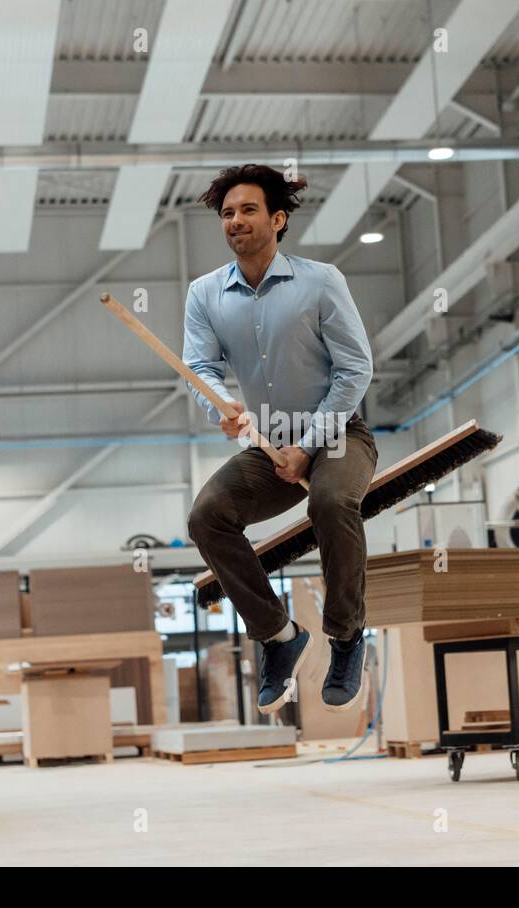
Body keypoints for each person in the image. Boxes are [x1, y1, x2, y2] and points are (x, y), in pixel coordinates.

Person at [184, 164, 375, 715]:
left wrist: (308, 446)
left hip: (338, 435)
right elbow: (200, 367)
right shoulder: (205, 294)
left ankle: (346, 636)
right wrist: (220, 407)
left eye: (248, 209)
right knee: (208, 517)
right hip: (266, 445)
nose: (235, 221)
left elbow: (355, 369)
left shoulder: (321, 281)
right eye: (227, 213)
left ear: (278, 219)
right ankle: (278, 635)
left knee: (331, 501)